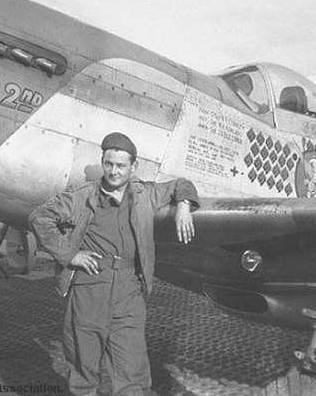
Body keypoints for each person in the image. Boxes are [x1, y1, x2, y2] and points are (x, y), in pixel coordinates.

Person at [29, 132, 199, 396]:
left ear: (134, 166)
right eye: (108, 164)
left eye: (120, 166)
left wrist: (184, 206)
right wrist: (70, 254)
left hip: (129, 291)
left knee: (132, 372)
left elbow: (181, 184)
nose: (113, 171)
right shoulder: (83, 197)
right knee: (83, 370)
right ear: (103, 163)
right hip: (90, 288)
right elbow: (40, 217)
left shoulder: (145, 194)